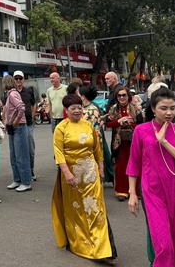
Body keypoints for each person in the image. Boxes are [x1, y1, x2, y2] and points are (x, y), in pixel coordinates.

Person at [127, 87, 175, 267]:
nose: (169, 112)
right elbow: (134, 163)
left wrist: (164, 142)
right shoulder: (141, 131)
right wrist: (132, 194)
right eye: (163, 108)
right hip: (153, 191)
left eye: (172, 108)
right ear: (153, 108)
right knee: (164, 245)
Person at [51, 94, 118, 264]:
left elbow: (97, 148)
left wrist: (101, 168)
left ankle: (104, 250)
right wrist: (67, 174)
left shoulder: (88, 125)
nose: (77, 111)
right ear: (66, 110)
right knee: (76, 212)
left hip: (91, 175)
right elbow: (59, 154)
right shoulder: (61, 128)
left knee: (96, 209)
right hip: (72, 177)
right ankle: (78, 243)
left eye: (79, 107)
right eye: (73, 108)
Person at [106, 85, 141, 200]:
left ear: (128, 96)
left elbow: (142, 126)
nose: (121, 97)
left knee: (135, 164)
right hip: (119, 141)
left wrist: (130, 123)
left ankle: (136, 191)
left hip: (134, 141)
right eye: (119, 95)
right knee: (120, 166)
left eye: (124, 95)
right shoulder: (113, 109)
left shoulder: (136, 108)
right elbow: (108, 124)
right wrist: (118, 121)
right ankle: (122, 191)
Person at [2, 75, 32, 192]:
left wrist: (17, 121)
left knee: (21, 155)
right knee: (14, 155)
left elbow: (21, 107)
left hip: (18, 127)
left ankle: (25, 181)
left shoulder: (13, 94)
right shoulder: (10, 94)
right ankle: (18, 179)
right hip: (14, 127)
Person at [12, 70, 37, 181]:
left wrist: (31, 116)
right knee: (17, 152)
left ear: (23, 79)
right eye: (16, 78)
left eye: (20, 78)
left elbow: (33, 104)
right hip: (17, 125)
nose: (18, 80)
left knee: (30, 150)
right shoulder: (11, 93)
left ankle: (30, 171)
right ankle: (20, 175)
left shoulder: (28, 91)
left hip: (28, 124)